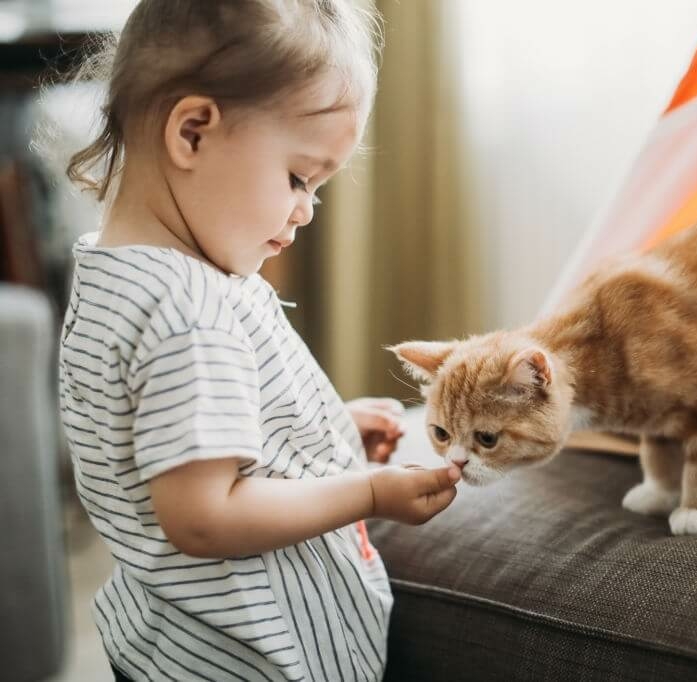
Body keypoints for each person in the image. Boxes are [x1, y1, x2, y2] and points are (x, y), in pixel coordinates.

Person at [55, 2, 460, 680]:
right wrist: (367, 492)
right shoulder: (192, 312)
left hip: (164, 644)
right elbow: (208, 516)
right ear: (193, 132)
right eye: (299, 176)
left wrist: (323, 431)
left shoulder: (115, 273)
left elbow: (169, 444)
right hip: (245, 658)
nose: (307, 208)